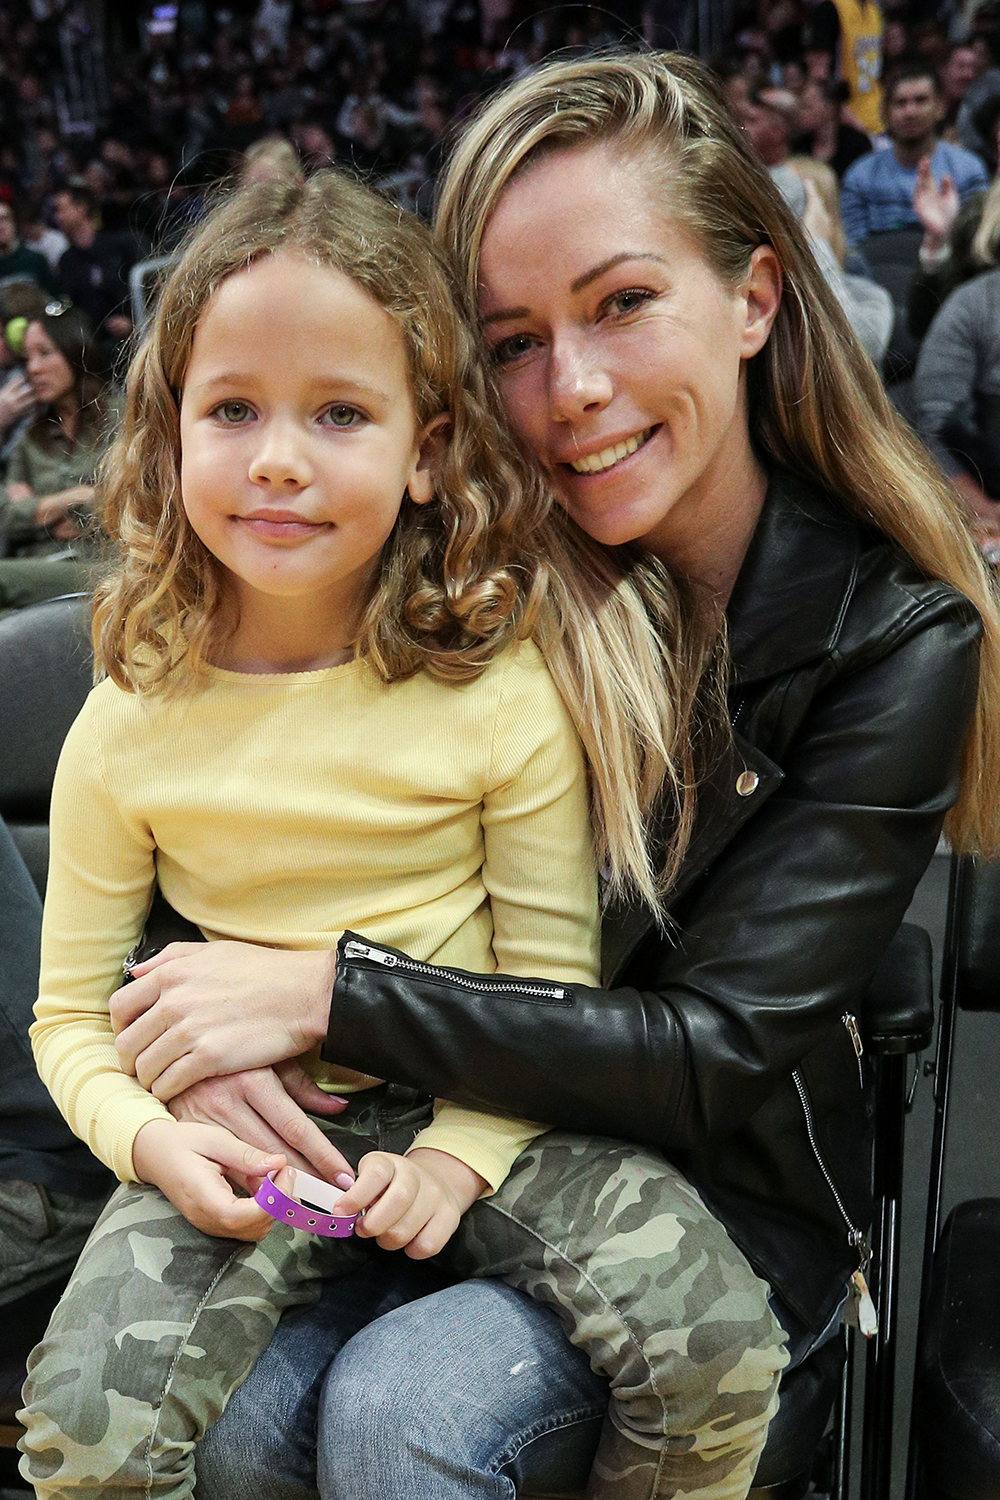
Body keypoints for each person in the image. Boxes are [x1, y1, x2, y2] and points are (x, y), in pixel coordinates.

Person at [104, 52, 1000, 1500]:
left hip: (713, 1200)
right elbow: (202, 827)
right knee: (242, 1409)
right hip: (396, 1155)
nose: (571, 388)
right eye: (512, 339)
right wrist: (202, 1049)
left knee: (408, 1405)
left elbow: (710, 1053)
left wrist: (329, 991)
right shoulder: (444, 570)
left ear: (756, 300)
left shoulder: (893, 636)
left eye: (623, 304)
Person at [17, 167, 788, 1500]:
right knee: (84, 1436)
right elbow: (70, 1020)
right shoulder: (127, 721)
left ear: (428, 451)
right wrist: (154, 1143)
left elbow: (545, 990)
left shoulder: (497, 690)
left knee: (717, 1350)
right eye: (234, 410)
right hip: (255, 1135)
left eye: (338, 414)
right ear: (168, 435)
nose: (276, 458)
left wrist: (455, 1154)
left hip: (488, 1100)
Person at [0, 303, 113, 611]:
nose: (33, 368)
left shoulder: (122, 418)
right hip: (33, 571)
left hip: (95, 565)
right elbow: (8, 518)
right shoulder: (29, 440)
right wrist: (77, 495)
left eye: (45, 353)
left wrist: (38, 509)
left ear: (76, 353)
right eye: (27, 358)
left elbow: (128, 505)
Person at [841, 61, 989, 244]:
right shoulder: (860, 176)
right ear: (885, 113)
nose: (910, 111)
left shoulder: (968, 170)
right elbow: (853, 251)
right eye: (900, 103)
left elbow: (974, 245)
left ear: (940, 107)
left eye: (921, 100)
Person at [793, 76, 871, 178]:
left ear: (830, 108)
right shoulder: (799, 144)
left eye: (807, 106)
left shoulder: (857, 143)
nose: (800, 112)